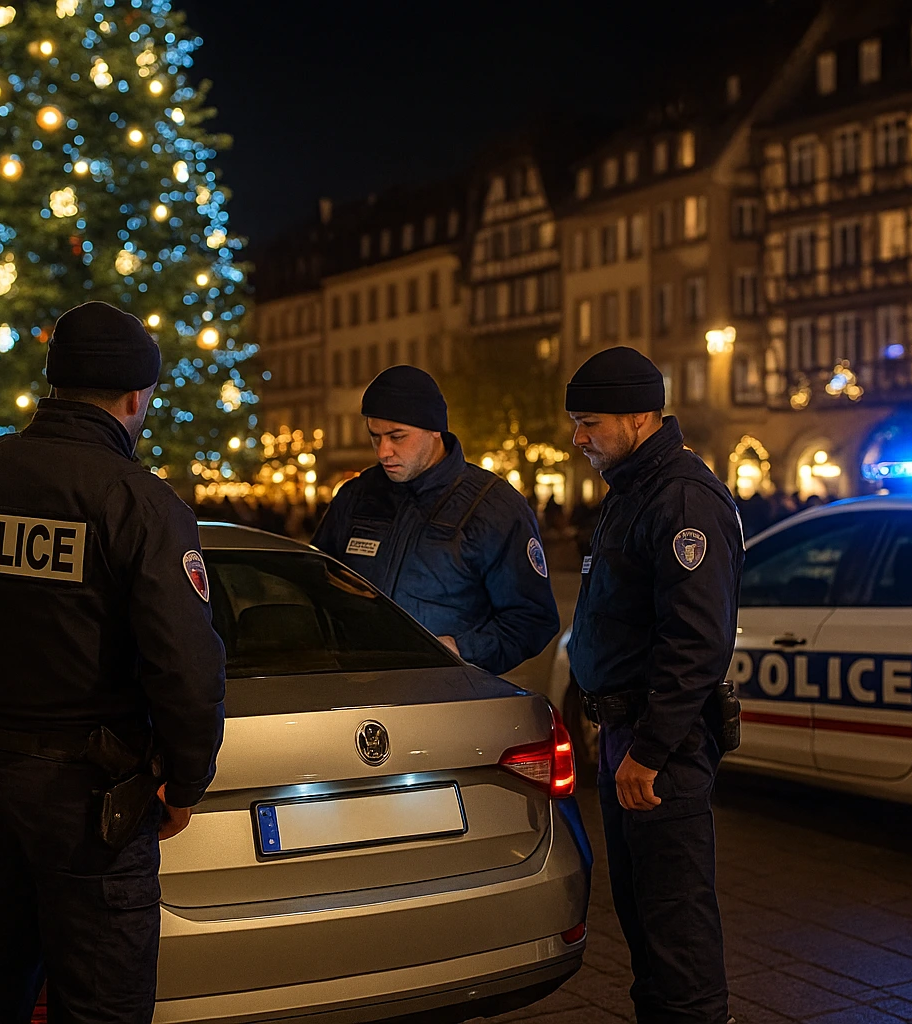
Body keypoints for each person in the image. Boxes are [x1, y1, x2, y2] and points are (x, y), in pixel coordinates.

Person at [0, 300, 227, 1024]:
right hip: (94, 806)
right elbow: (188, 669)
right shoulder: (137, 501)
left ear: (53, 384)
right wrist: (186, 783)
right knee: (101, 1005)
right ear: (137, 397)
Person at [564, 346, 743, 1024]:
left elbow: (695, 642)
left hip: (658, 743)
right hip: (626, 732)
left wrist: (650, 749)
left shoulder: (682, 496)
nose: (579, 438)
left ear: (640, 417)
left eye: (590, 423)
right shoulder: (636, 487)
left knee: (675, 917)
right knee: (643, 913)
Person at [312, 365, 559, 676]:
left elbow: (532, 619)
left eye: (397, 436)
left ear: (434, 429)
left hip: (445, 697)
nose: (383, 451)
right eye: (375, 436)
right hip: (354, 686)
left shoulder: (493, 506)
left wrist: (460, 650)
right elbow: (316, 585)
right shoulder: (356, 496)